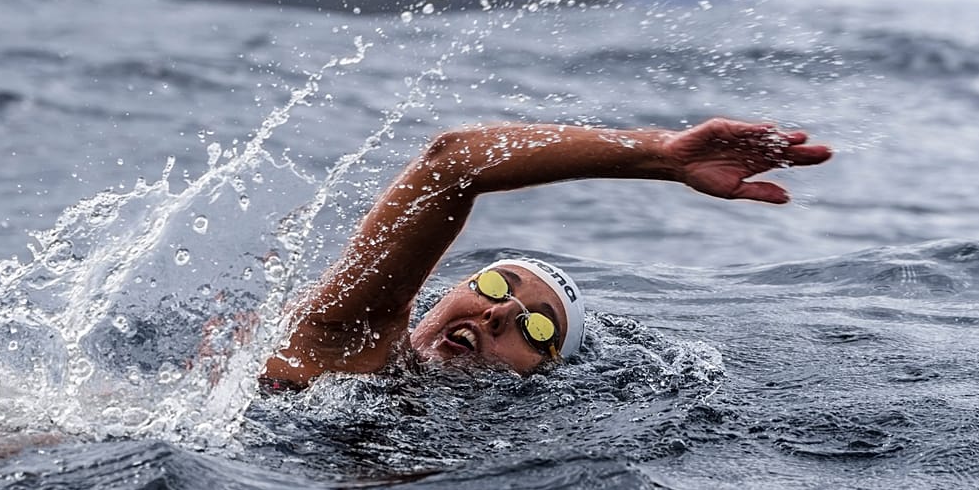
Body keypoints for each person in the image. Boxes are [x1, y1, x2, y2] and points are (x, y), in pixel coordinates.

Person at [262, 118, 832, 388]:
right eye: (493, 284)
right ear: (439, 300)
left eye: (538, 328)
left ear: (546, 373)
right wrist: (661, 156)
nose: (503, 311)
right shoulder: (344, 341)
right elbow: (453, 163)